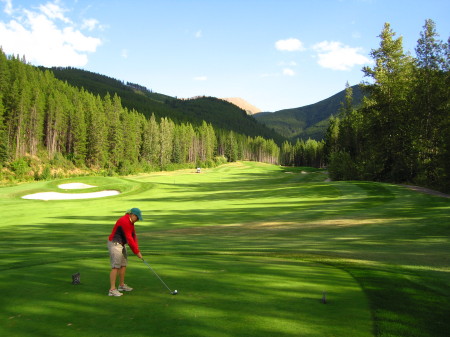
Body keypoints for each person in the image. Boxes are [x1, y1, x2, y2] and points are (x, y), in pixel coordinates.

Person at [107, 208, 143, 297]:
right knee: (116, 266)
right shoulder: (125, 221)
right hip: (115, 243)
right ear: (133, 215)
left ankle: (121, 285)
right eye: (137, 218)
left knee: (123, 264)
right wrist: (136, 252)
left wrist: (137, 250)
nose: (138, 220)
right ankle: (112, 289)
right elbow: (129, 239)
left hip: (121, 244)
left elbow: (134, 236)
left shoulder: (131, 223)